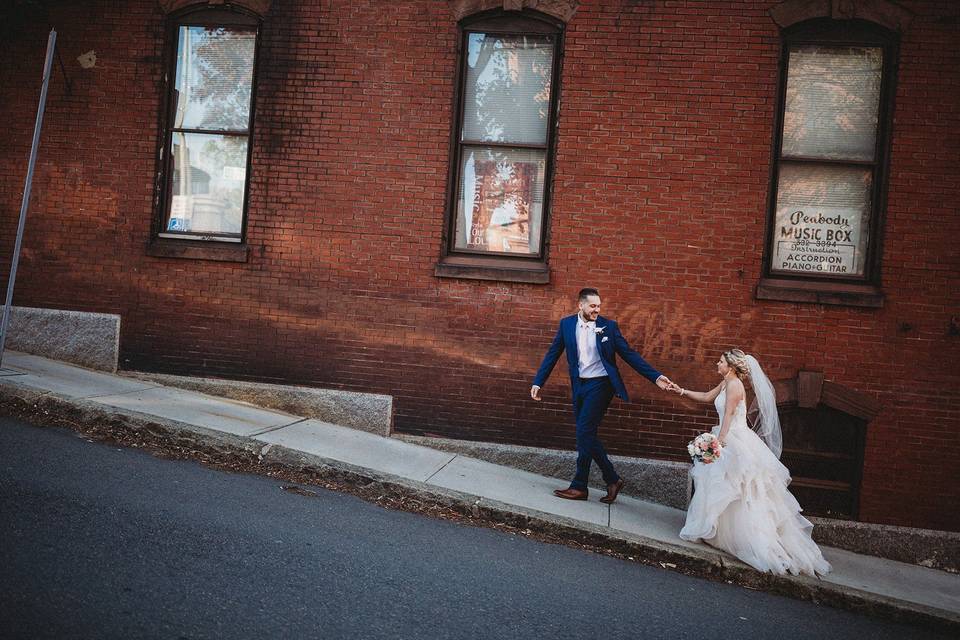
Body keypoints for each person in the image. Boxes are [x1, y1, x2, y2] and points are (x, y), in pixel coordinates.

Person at [671, 349, 831, 577]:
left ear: (732, 366)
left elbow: (727, 416)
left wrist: (719, 443)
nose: (717, 364)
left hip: (734, 438)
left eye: (721, 362)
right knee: (723, 486)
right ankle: (717, 533)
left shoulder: (735, 386)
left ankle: (750, 540)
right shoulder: (726, 382)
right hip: (727, 436)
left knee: (739, 490)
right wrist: (681, 390)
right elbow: (708, 397)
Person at [531, 288, 674, 503]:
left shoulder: (609, 327)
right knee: (586, 433)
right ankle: (612, 478)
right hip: (579, 385)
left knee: (584, 431)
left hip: (601, 385)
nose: (597, 310)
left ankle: (580, 486)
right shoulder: (566, 325)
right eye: (593, 306)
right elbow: (553, 353)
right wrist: (538, 381)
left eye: (599, 306)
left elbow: (629, 354)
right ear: (580, 305)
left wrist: (656, 377)